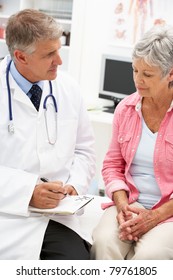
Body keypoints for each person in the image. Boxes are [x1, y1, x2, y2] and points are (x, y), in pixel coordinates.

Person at [0, 9, 96, 260]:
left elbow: (85, 150)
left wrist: (74, 184)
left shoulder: (68, 88)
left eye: (59, 49)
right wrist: (27, 191)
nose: (59, 61)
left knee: (73, 265)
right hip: (6, 213)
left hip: (57, 216)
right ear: (21, 56)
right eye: (49, 54)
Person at [91, 24, 173, 260]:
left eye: (147, 74)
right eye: (135, 70)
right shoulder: (125, 109)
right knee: (104, 242)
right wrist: (122, 205)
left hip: (168, 212)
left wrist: (153, 217)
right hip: (130, 204)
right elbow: (112, 165)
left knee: (150, 254)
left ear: (171, 74)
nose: (138, 80)